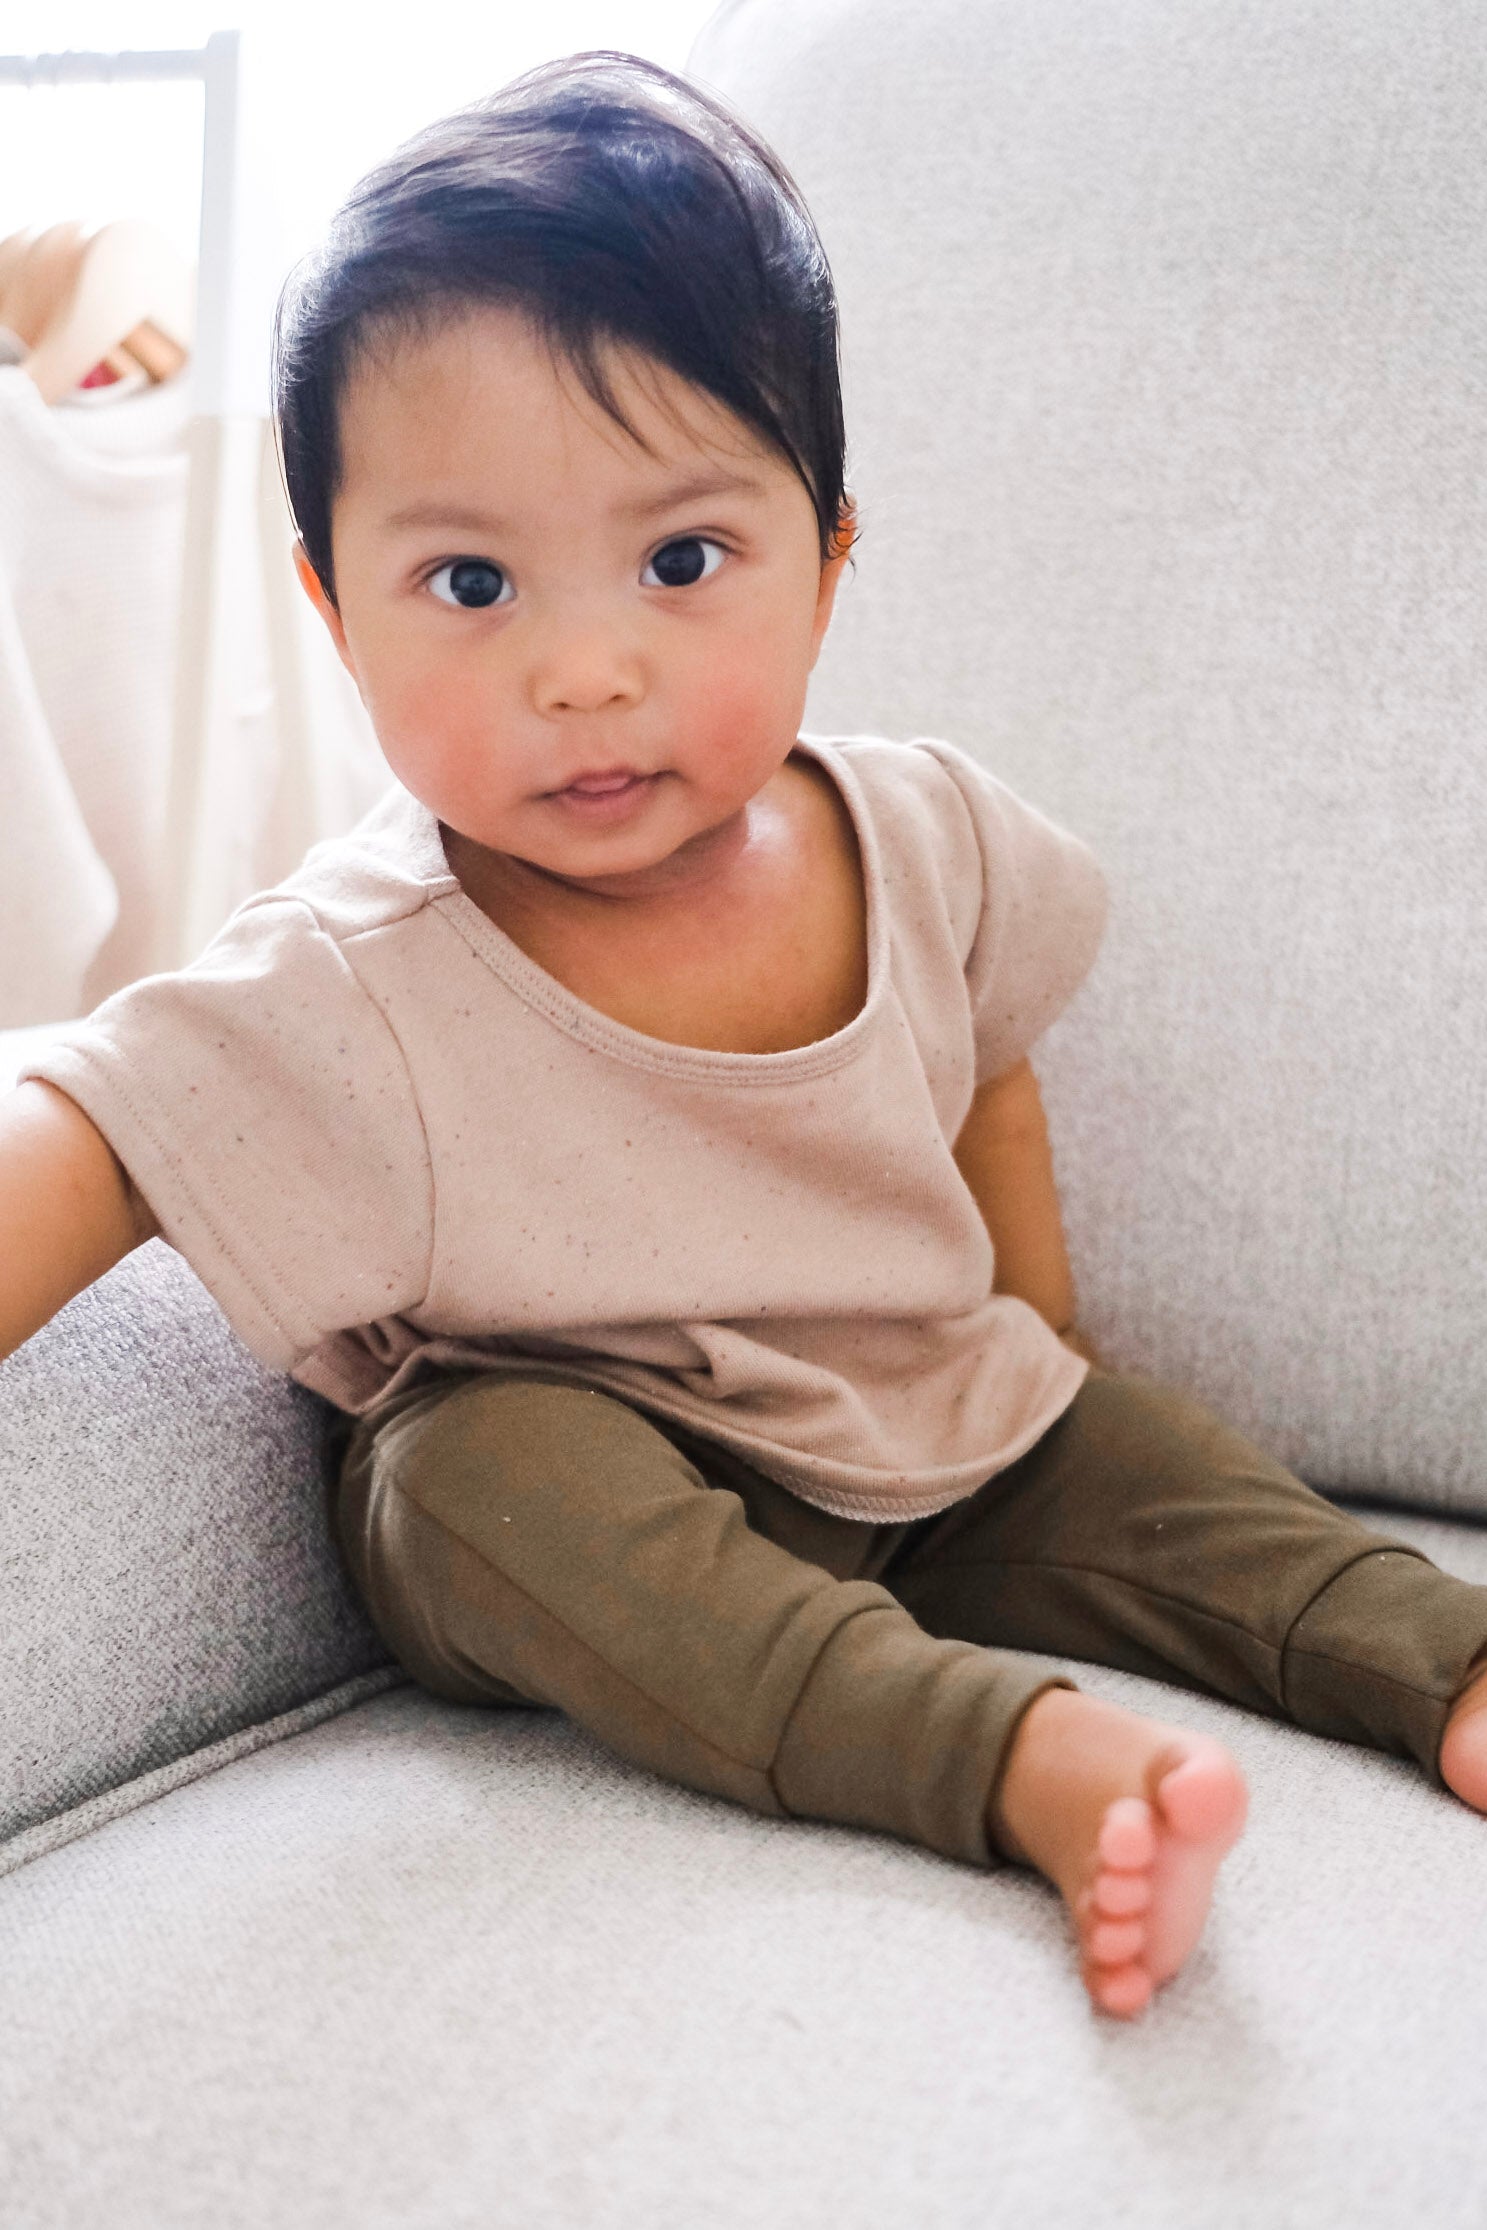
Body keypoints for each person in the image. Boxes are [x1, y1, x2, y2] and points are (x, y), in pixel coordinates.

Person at [3, 51, 1485, 2023]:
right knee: (468, 1476)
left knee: (1158, 1472)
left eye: (683, 561)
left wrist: (1042, 1346)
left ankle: (1443, 1662)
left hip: (922, 1413)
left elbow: (987, 1076)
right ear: (334, 611)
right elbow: (96, 1132)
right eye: (469, 582)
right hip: (583, 1463)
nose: (587, 667)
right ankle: (1002, 1755)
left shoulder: (921, 831)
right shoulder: (358, 970)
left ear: (830, 556)